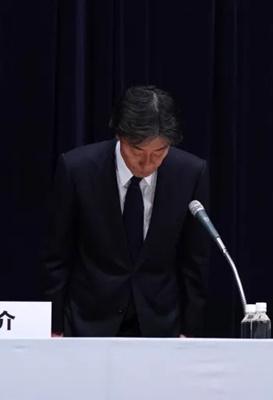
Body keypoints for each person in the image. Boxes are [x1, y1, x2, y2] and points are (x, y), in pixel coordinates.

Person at [42, 85, 209, 337]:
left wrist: (190, 330)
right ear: (120, 136)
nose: (147, 163)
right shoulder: (77, 169)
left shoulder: (190, 173)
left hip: (161, 324)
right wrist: (53, 327)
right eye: (138, 151)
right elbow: (57, 257)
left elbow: (194, 262)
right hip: (88, 321)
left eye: (159, 152)